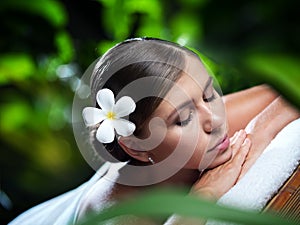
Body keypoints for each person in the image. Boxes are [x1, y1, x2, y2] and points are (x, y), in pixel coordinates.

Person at [9, 37, 300, 225]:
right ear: (136, 146)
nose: (214, 119)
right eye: (183, 119)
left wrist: (260, 129)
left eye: (209, 94)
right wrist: (205, 193)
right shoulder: (117, 215)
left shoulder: (200, 117)